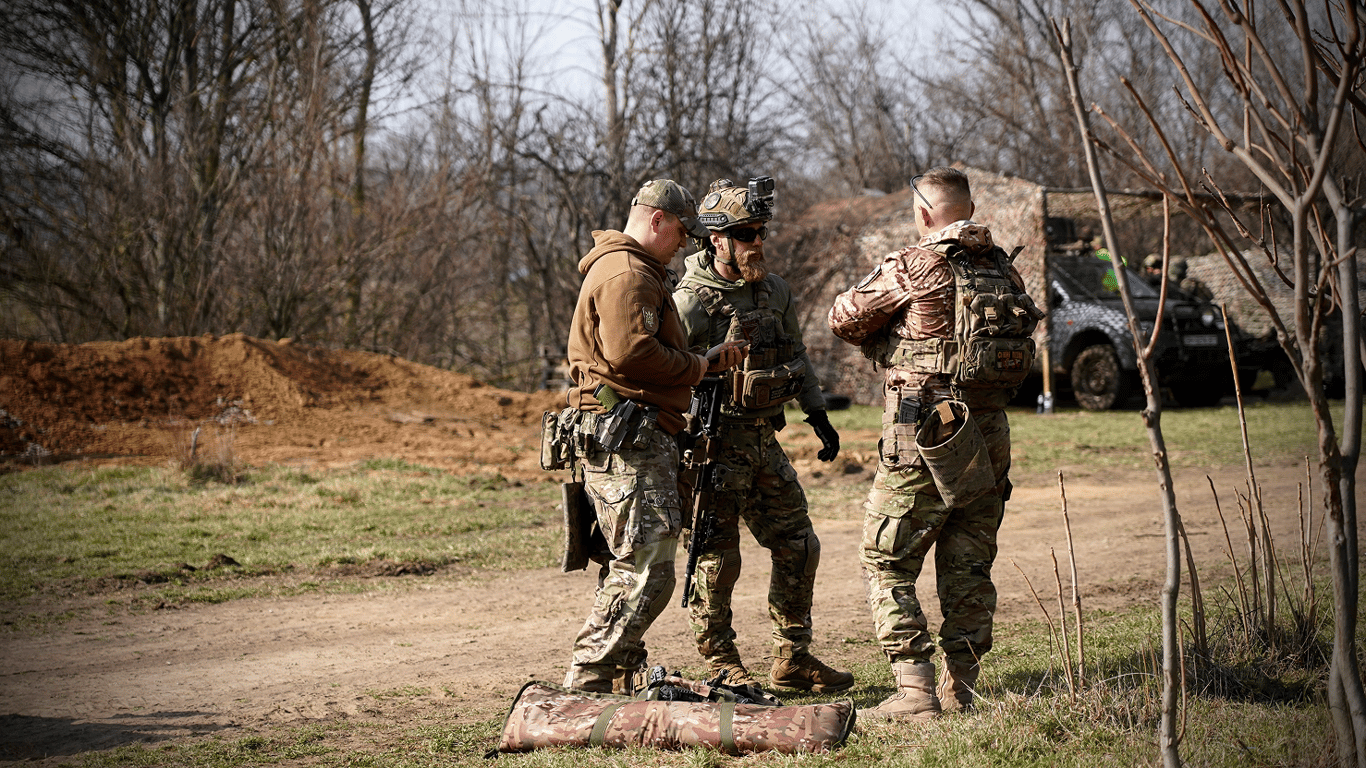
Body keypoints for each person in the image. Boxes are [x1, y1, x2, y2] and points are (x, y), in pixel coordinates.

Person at [827, 167, 1042, 720]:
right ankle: (961, 687)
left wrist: (892, 338)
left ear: (924, 213)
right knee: (969, 559)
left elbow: (843, 318)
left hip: (925, 431)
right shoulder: (1003, 268)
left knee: (886, 557)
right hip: (988, 431)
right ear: (969, 208)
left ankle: (915, 690)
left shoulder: (914, 265)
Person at [562, 179, 747, 693]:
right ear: (657, 219)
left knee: (633, 560)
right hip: (629, 436)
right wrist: (698, 365)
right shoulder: (628, 273)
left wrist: (699, 364)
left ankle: (618, 673)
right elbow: (633, 355)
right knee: (649, 568)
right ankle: (587, 679)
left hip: (632, 431)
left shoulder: (633, 269)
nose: (686, 243)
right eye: (683, 231)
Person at [672, 177, 854, 695]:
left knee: (799, 544)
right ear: (716, 240)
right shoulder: (689, 303)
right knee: (716, 559)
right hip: (710, 449)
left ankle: (792, 658)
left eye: (760, 232)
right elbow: (665, 371)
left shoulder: (775, 291)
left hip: (762, 442)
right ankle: (721, 663)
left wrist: (817, 414)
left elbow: (796, 354)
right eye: (745, 234)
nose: (757, 242)